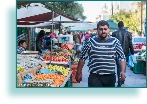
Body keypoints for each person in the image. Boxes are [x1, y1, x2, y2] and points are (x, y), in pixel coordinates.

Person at [75, 20, 126, 87]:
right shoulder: (90, 41)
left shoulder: (115, 42)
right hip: (94, 77)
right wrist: (78, 73)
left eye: (105, 29)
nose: (103, 31)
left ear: (108, 30)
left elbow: (121, 57)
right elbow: (82, 58)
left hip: (110, 77)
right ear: (97, 30)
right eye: (101, 29)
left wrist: (122, 71)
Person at [112, 21, 134, 87]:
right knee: (123, 66)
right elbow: (130, 44)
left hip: (116, 52)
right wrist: (132, 52)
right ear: (123, 26)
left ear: (118, 26)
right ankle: (122, 79)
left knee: (118, 66)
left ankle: (120, 81)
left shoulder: (114, 33)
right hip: (125, 52)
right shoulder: (128, 33)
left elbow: (112, 44)